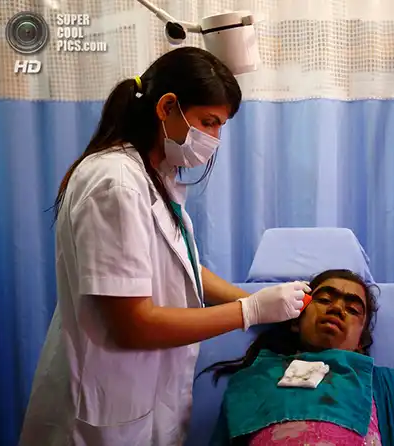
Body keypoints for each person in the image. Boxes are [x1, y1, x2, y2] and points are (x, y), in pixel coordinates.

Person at [18, 47, 311, 446]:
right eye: (208, 122)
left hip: (143, 400)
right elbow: (133, 324)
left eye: (220, 127)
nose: (214, 139)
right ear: (167, 107)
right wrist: (250, 311)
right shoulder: (116, 184)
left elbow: (180, 266)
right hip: (100, 413)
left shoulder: (156, 176)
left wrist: (252, 303)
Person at [202, 269, 394, 446]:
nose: (336, 308)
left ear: (360, 342)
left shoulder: (383, 384)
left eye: (352, 309)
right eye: (324, 299)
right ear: (296, 321)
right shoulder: (251, 380)